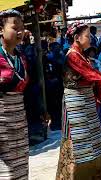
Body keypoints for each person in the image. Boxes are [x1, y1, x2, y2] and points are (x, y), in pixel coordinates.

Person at [55, 22, 101, 179]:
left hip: (87, 103)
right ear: (76, 38)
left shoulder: (82, 55)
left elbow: (93, 83)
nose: (90, 40)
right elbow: (94, 76)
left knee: (93, 140)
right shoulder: (73, 55)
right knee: (77, 142)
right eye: (87, 36)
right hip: (75, 104)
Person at [0, 9, 33, 179]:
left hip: (19, 119)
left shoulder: (21, 57)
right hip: (2, 121)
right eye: (15, 27)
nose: (20, 31)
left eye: (22, 27)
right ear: (1, 29)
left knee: (19, 164)